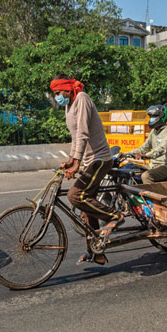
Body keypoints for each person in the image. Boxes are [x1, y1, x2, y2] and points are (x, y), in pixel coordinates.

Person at [51, 75, 124, 265]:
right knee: (85, 209)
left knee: (75, 196)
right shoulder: (69, 105)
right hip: (89, 160)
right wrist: (71, 160)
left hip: (99, 159)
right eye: (54, 93)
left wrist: (76, 164)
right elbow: (75, 137)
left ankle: (114, 216)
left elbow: (83, 133)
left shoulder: (82, 98)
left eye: (58, 92)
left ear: (67, 89)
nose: (57, 96)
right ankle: (96, 251)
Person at [126, 105, 167, 184]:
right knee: (131, 171)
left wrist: (146, 156)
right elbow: (144, 148)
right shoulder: (154, 131)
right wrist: (126, 154)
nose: (152, 118)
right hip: (152, 165)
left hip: (166, 165)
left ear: (162, 116)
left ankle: (150, 196)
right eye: (151, 116)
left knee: (146, 176)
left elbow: (163, 148)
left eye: (154, 116)